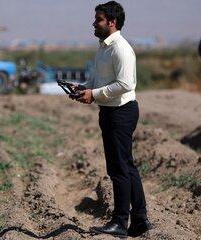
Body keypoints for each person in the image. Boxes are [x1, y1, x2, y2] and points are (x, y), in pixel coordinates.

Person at [71, 1, 152, 238]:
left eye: (98, 19)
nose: (94, 23)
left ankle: (119, 222)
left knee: (119, 169)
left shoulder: (121, 49)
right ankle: (139, 220)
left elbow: (126, 84)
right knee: (127, 166)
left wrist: (94, 94)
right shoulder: (103, 47)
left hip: (121, 113)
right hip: (110, 112)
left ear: (112, 22)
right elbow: (103, 80)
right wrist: (85, 89)